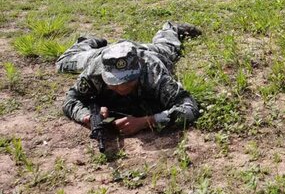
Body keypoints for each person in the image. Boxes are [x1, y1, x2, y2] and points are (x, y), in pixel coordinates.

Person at [57, 21, 202, 137]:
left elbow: (189, 107)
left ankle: (171, 28)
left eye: (128, 81)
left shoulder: (153, 71)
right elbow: (71, 99)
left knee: (168, 48)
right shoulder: (94, 71)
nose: (121, 87)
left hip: (145, 52)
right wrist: (86, 116)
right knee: (63, 64)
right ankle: (89, 41)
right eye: (114, 82)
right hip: (103, 53)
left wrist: (146, 122)